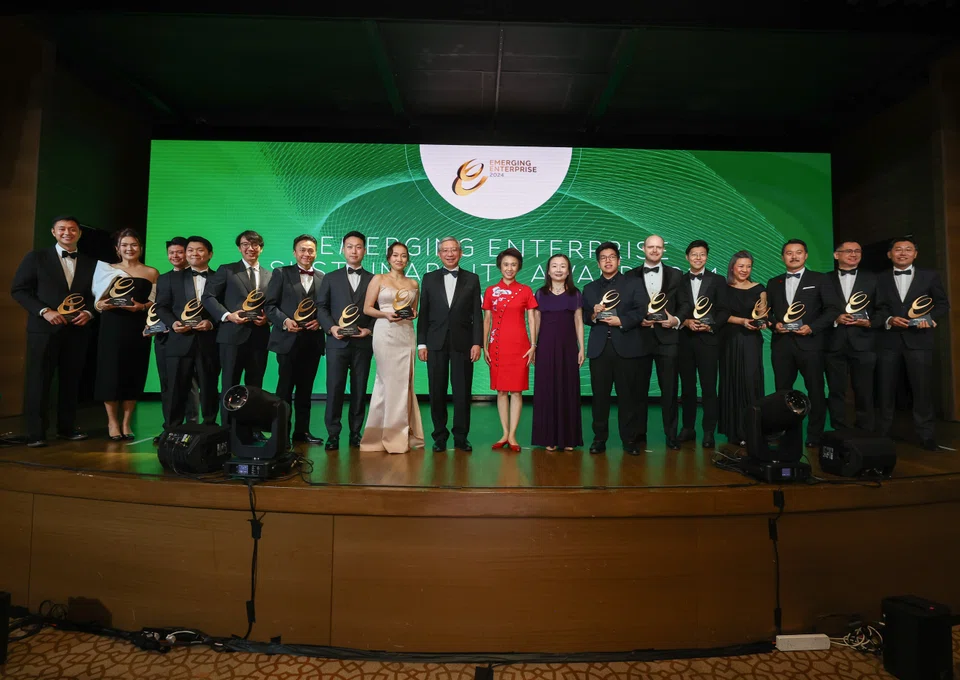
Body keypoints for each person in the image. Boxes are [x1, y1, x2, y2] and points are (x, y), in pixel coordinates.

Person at [11, 215, 96, 447]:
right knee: (39, 380)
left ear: (79, 233)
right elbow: (19, 290)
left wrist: (89, 313)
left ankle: (66, 428)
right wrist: (44, 311)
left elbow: (95, 296)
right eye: (62, 229)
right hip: (43, 329)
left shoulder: (91, 262)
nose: (67, 233)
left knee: (71, 381)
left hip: (77, 331)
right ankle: (36, 433)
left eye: (72, 229)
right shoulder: (36, 257)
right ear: (53, 232)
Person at [875, 236, 950, 450]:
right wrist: (889, 319)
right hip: (888, 340)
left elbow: (943, 304)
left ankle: (926, 435)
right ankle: (883, 432)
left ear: (915, 254)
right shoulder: (879, 278)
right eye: (898, 249)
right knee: (885, 389)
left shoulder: (930, 276)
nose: (903, 253)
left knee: (922, 389)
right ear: (890, 254)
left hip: (919, 340)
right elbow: (877, 308)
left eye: (908, 249)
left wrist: (929, 319)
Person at [766, 239, 841, 448]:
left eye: (798, 252)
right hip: (782, 345)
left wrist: (812, 327)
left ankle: (814, 435)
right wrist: (774, 324)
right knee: (782, 392)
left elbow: (833, 310)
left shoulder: (820, 279)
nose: (794, 256)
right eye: (789, 253)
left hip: (811, 344)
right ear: (783, 257)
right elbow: (767, 313)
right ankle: (785, 432)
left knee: (815, 391)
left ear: (806, 255)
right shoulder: (774, 282)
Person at [416, 237, 482, 453]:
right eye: (445, 250)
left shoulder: (472, 279)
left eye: (454, 250)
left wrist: (477, 342)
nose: (450, 254)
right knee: (437, 390)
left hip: (463, 343)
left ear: (461, 253)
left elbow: (476, 314)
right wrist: (421, 344)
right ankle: (439, 436)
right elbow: (423, 313)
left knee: (462, 391)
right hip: (435, 343)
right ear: (439, 253)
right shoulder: (429, 278)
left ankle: (461, 437)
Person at [92, 228, 158, 440]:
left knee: (134, 372)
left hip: (137, 326)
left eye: (134, 245)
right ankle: (112, 422)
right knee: (109, 373)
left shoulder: (151, 272)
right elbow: (97, 300)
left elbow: (154, 302)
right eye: (125, 245)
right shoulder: (105, 269)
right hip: (111, 326)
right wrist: (101, 304)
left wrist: (140, 307)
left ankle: (127, 423)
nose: (129, 249)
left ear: (140, 248)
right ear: (117, 249)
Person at [202, 230, 272, 426]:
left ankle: (252, 428)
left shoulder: (270, 275)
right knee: (229, 384)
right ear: (239, 248)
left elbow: (273, 304)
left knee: (255, 386)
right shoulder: (227, 270)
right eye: (245, 244)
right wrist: (227, 315)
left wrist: (268, 319)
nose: (250, 248)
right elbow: (208, 297)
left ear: (261, 248)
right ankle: (227, 429)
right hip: (231, 336)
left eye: (255, 244)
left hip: (259, 337)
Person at [581, 242, 645, 454]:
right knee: (600, 397)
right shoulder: (589, 288)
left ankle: (629, 441)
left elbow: (641, 311)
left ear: (618, 260)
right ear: (598, 263)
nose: (607, 261)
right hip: (600, 349)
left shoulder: (634, 283)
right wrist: (593, 314)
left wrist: (622, 321)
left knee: (627, 397)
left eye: (611, 257)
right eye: (603, 258)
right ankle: (599, 439)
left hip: (626, 345)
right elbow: (584, 317)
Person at [360, 241, 424, 453]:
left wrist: (413, 314)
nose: (399, 259)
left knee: (404, 383)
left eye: (403, 256)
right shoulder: (378, 279)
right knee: (387, 383)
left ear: (407, 259)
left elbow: (414, 311)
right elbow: (367, 308)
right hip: (385, 332)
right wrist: (385, 313)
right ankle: (384, 435)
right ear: (388, 258)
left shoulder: (414, 283)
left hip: (406, 334)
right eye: (395, 255)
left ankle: (400, 434)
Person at [625, 234, 687, 451]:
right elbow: (626, 306)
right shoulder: (629, 275)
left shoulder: (677, 275)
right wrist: (636, 319)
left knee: (669, 390)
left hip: (668, 339)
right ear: (643, 248)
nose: (654, 250)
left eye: (658, 247)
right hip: (639, 339)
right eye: (650, 247)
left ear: (663, 250)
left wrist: (676, 320)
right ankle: (638, 435)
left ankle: (671, 435)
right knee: (638, 391)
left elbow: (685, 303)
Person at [154, 236, 221, 429]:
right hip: (178, 340)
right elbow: (161, 307)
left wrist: (211, 323)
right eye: (190, 250)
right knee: (175, 388)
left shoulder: (219, 278)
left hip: (209, 341)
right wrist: (173, 323)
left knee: (209, 387)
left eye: (199, 250)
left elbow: (225, 307)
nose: (194, 253)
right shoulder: (168, 278)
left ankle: (209, 427)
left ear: (210, 254)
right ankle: (172, 429)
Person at [265, 234, 325, 444]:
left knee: (305, 391)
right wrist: (284, 321)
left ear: (316, 252)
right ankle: (280, 433)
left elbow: (325, 309)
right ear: (294, 252)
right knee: (284, 390)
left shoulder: (322, 277)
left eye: (310, 250)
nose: (307, 254)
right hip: (287, 340)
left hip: (313, 342)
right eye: (302, 250)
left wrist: (320, 322)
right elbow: (269, 305)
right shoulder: (281, 273)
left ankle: (302, 432)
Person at [317, 231, 374, 450]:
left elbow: (378, 310)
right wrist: (331, 328)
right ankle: (333, 433)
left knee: (359, 390)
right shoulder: (330, 278)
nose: (354, 251)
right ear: (343, 250)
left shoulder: (373, 279)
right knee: (335, 389)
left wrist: (368, 330)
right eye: (350, 246)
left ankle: (356, 433)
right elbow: (321, 307)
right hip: (336, 343)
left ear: (365, 250)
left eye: (358, 247)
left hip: (362, 344)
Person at [482, 248, 538, 452]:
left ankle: (513, 435)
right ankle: (504, 432)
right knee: (501, 390)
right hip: (497, 345)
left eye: (513, 264)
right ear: (500, 266)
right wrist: (484, 344)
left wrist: (533, 345)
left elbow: (532, 318)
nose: (509, 268)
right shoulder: (490, 291)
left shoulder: (525, 290)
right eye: (506, 264)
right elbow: (487, 319)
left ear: (519, 267)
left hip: (520, 345)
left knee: (516, 390)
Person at [676, 240, 728, 448]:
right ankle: (688, 428)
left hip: (709, 341)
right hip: (685, 341)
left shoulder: (718, 280)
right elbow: (675, 308)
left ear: (707, 257)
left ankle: (709, 431)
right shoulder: (678, 280)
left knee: (708, 388)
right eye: (694, 254)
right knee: (687, 387)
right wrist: (685, 322)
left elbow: (724, 310)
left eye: (702, 254)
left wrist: (711, 325)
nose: (698, 258)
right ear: (687, 257)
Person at [825, 240, 880, 432]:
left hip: (864, 341)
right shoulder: (824, 279)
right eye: (848, 251)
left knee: (864, 390)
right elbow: (818, 309)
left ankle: (865, 430)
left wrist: (870, 321)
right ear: (836, 255)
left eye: (857, 251)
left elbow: (882, 308)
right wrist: (835, 318)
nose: (853, 254)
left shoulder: (873, 278)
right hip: (833, 342)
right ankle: (839, 430)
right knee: (836, 390)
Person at [531, 254, 584, 451]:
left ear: (568, 271)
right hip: (544, 346)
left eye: (563, 266)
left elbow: (578, 321)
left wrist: (582, 348)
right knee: (546, 390)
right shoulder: (540, 293)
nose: (559, 269)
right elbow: (535, 322)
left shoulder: (575, 294)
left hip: (568, 347)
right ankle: (548, 438)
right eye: (554, 266)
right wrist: (533, 346)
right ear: (548, 270)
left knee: (568, 388)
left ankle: (569, 438)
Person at [718, 251, 767, 446]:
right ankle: (733, 431)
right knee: (730, 381)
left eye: (748, 266)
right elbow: (720, 315)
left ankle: (752, 429)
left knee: (750, 381)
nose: (745, 270)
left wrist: (761, 322)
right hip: (729, 339)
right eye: (741, 266)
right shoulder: (724, 288)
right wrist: (741, 321)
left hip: (751, 340)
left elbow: (763, 315)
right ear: (732, 267)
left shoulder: (759, 289)